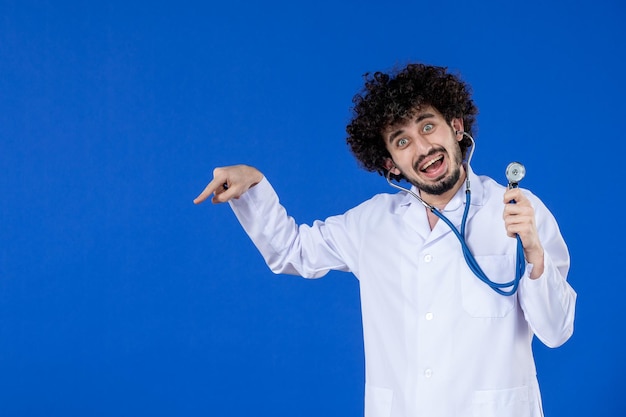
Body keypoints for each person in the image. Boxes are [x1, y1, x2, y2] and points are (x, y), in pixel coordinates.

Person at [194, 63, 577, 417]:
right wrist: (254, 184)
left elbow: (557, 332)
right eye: (402, 140)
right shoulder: (372, 222)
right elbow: (290, 252)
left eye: (428, 126)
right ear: (390, 163)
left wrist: (534, 254)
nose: (423, 148)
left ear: (456, 127)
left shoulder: (517, 210)